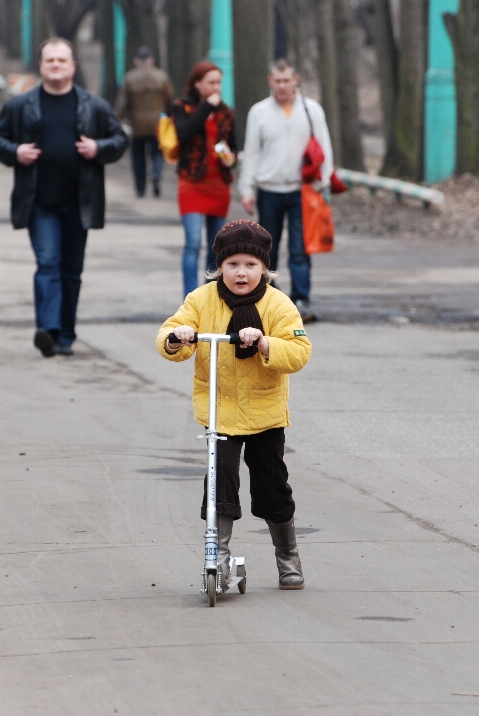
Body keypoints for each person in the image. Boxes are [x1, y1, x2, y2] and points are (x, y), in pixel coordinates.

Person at [157, 220, 312, 591]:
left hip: (264, 413)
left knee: (272, 486)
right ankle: (219, 556)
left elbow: (299, 351)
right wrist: (178, 339)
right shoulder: (201, 300)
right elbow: (169, 333)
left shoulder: (277, 304)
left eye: (250, 265)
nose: (241, 273)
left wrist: (263, 343)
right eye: (233, 265)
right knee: (220, 483)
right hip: (220, 412)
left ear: (265, 269)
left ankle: (287, 555)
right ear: (219, 268)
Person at [0, 37, 127, 358]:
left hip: (81, 203)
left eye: (61, 61)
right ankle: (48, 329)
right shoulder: (21, 106)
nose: (55, 66)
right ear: (40, 66)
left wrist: (98, 148)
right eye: (50, 60)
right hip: (40, 203)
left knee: (71, 271)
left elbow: (119, 138)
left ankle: (65, 333)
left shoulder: (93, 106)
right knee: (48, 263)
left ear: (72, 67)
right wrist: (15, 151)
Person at [238, 59, 333, 323]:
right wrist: (247, 188)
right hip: (269, 189)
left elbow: (324, 146)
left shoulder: (311, 110)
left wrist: (323, 182)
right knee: (268, 248)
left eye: (286, 80)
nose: (282, 85)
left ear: (296, 79)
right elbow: (252, 153)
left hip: (302, 190)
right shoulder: (259, 112)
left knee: (300, 247)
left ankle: (301, 299)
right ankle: (270, 299)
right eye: (277, 81)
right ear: (270, 81)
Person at [172, 60, 237, 297]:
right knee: (192, 242)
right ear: (197, 84)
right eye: (210, 83)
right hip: (191, 183)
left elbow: (234, 148)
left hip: (218, 185)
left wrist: (230, 157)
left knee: (215, 246)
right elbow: (184, 132)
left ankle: (208, 297)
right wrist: (206, 108)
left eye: (219, 82)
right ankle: (190, 298)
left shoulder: (227, 113)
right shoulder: (182, 107)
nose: (216, 88)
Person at [114, 46, 173, 198]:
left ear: (136, 61)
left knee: (138, 157)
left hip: (137, 124)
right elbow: (169, 100)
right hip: (157, 123)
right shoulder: (162, 76)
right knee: (157, 153)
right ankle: (156, 174)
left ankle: (140, 188)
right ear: (152, 60)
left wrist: (116, 122)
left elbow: (122, 103)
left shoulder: (129, 77)